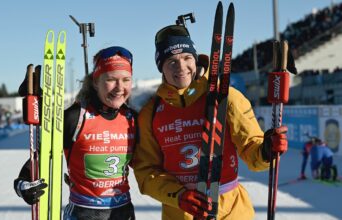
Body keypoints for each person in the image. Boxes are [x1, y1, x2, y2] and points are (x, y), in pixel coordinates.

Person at [132, 24, 288, 219]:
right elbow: (146, 171)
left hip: (230, 209)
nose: (181, 67)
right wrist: (178, 195)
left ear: (195, 60)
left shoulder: (227, 97)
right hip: (180, 212)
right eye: (171, 61)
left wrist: (265, 150)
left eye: (187, 58)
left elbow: (251, 149)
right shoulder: (151, 112)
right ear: (161, 67)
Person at [14, 46, 138, 220]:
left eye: (126, 79)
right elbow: (41, 157)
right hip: (83, 212)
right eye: (111, 79)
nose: (119, 87)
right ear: (95, 82)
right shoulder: (76, 117)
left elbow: (148, 163)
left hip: (123, 212)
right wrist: (22, 184)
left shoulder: (132, 119)